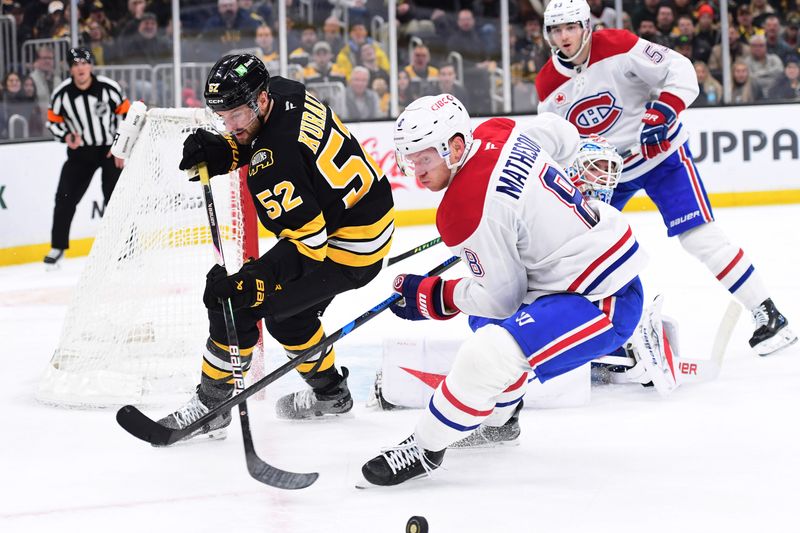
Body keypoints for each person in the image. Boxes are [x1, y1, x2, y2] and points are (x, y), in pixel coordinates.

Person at [359, 94, 649, 486]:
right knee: (485, 322)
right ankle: (501, 420)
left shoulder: (464, 209)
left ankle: (425, 448)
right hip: (574, 275)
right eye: (410, 159)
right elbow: (562, 133)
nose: (417, 171)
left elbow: (501, 299)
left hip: (602, 298)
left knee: (488, 351)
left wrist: (437, 296)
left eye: (424, 158)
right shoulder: (498, 131)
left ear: (455, 147)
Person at [535, 0, 796, 355]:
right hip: (605, 173)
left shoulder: (619, 44)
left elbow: (680, 69)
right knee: (584, 251)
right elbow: (557, 138)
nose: (564, 36)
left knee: (700, 237)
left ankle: (768, 313)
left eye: (570, 27)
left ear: (586, 26)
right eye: (556, 29)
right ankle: (602, 338)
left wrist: (664, 110)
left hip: (660, 155)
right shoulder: (547, 83)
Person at [159, 53, 395, 439]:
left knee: (236, 304)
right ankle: (332, 395)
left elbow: (309, 245)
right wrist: (225, 150)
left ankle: (212, 407)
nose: (229, 125)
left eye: (236, 115)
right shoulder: (285, 91)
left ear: (261, 99)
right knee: (287, 317)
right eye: (222, 116)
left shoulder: (274, 164)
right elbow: (271, 140)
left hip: (349, 245)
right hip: (368, 213)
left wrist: (256, 278)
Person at [44, 48, 129, 268]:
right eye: (75, 64)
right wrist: (66, 136)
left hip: (109, 151)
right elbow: (52, 122)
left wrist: (120, 147)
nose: (80, 68)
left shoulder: (109, 88)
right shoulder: (62, 94)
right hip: (80, 153)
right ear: (70, 69)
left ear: (90, 66)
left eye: (84, 63)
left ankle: (126, 246)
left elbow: (127, 117)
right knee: (64, 198)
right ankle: (58, 246)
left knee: (116, 200)